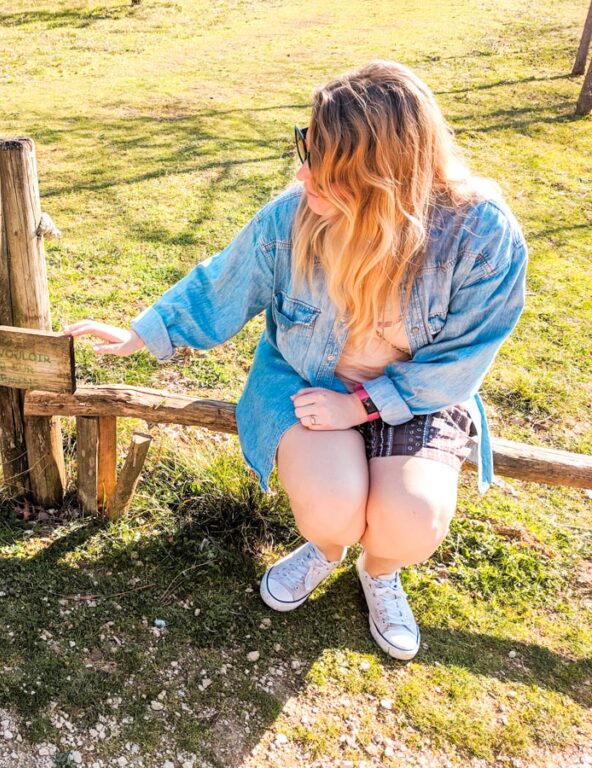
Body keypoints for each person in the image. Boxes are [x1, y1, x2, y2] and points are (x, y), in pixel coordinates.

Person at [64, 61, 527, 660]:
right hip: (306, 379)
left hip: (416, 397)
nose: (304, 175)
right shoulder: (293, 217)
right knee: (332, 512)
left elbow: (461, 361)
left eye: (330, 169)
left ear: (385, 176)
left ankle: (379, 571)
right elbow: (224, 282)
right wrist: (145, 333)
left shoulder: (480, 235)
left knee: (412, 522)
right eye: (306, 148)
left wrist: (360, 406)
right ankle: (327, 549)